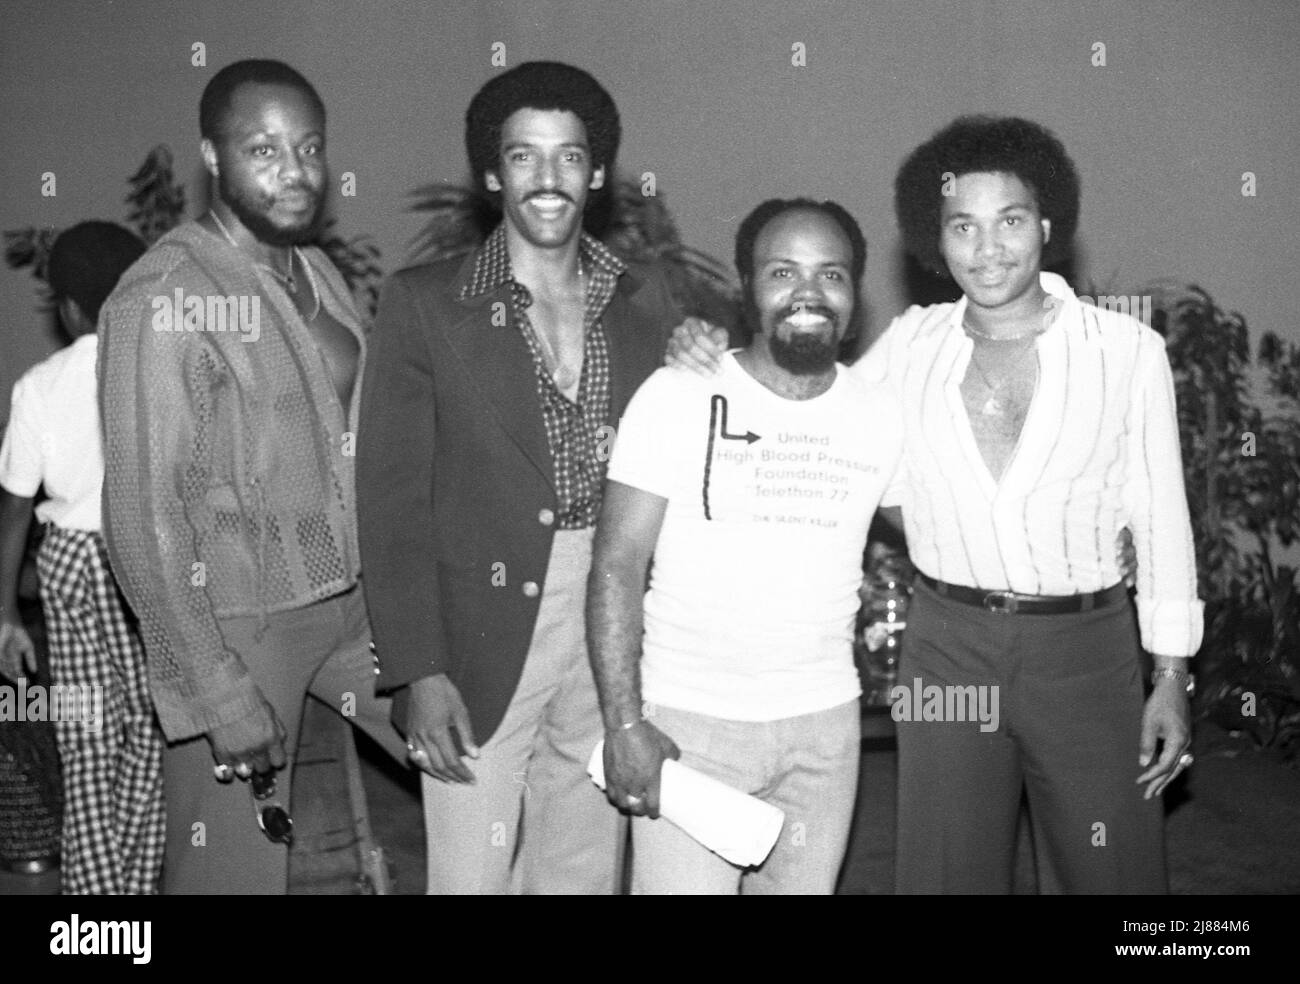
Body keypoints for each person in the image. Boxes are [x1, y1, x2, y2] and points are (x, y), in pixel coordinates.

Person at [670, 117, 1201, 894]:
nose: (988, 249)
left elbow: (1161, 517)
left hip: (1087, 654)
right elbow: (802, 403)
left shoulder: (1126, 352)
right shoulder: (911, 347)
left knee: (1113, 873)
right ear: (936, 238)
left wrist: (1172, 674)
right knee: (945, 871)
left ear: (1048, 226)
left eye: (1010, 221)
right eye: (964, 226)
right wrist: (702, 356)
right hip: (946, 646)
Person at [357, 61, 682, 894]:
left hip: (611, 620)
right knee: (468, 877)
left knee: (578, 870)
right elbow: (391, 501)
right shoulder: (426, 302)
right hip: (475, 634)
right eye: (525, 156)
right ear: (492, 172)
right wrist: (416, 671)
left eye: (568, 157)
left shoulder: (647, 306)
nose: (548, 178)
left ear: (598, 172)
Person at [97, 59, 406, 895]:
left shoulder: (312, 269)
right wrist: (214, 692)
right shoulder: (163, 298)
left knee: (467, 751)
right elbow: (142, 515)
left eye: (309, 147)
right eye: (262, 148)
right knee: (231, 870)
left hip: (350, 601)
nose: (295, 170)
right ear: (211, 156)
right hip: (240, 619)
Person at [588, 200, 902, 894]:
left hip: (824, 732)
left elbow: (949, 532)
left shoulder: (881, 415)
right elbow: (616, 565)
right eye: (783, 272)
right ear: (748, 289)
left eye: (832, 274)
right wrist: (625, 724)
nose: (809, 293)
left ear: (854, 293)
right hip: (691, 727)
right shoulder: (677, 395)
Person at [0, 221, 161, 894]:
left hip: (67, 562)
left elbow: (13, 510)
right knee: (151, 734)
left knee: (86, 735)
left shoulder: (39, 384)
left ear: (66, 308)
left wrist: (6, 612)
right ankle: (136, 891)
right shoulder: (157, 371)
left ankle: (98, 912)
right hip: (143, 562)